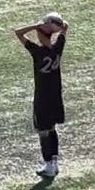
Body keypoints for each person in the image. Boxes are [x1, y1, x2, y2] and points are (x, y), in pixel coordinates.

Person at [13, 13, 68, 179]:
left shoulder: (37, 52)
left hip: (43, 98)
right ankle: (54, 163)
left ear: (40, 34)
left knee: (43, 131)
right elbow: (65, 26)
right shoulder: (58, 48)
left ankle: (48, 164)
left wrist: (37, 25)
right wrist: (54, 25)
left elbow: (18, 33)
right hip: (56, 96)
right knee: (52, 129)